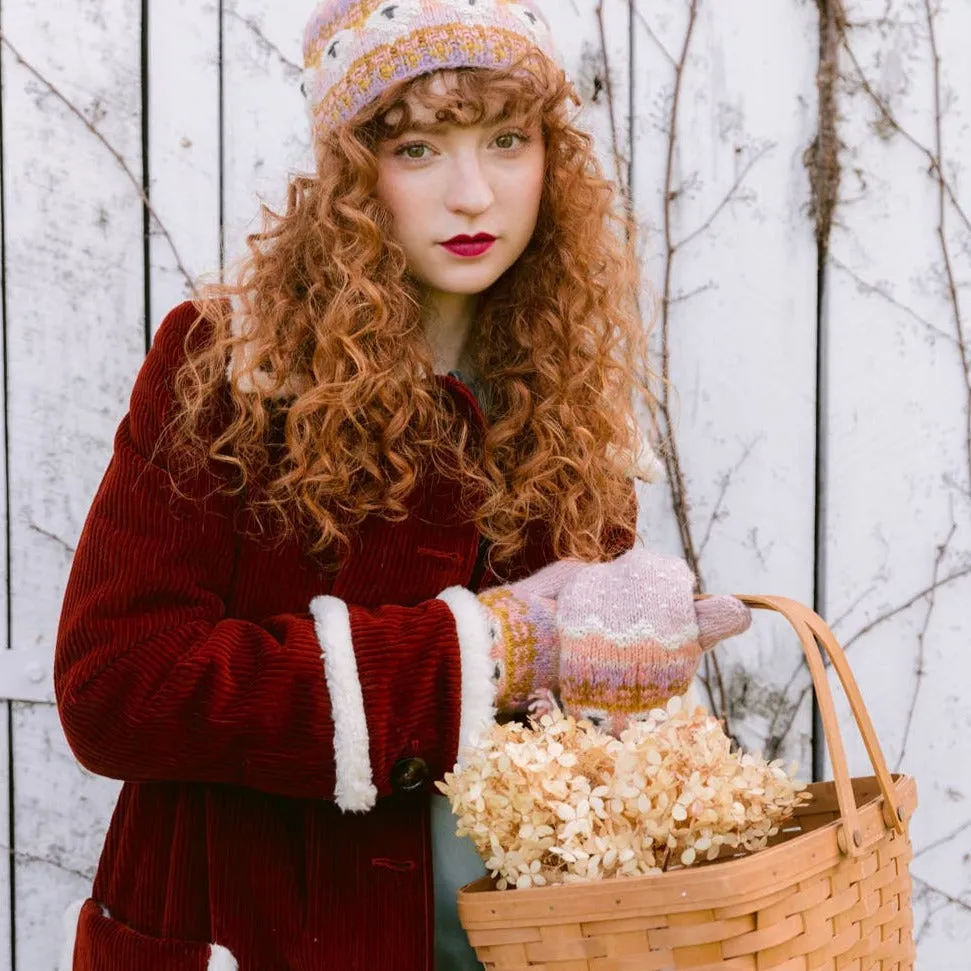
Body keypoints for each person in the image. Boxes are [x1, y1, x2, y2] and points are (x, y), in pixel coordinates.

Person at [54, 1, 749, 968]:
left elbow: (561, 745)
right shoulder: (229, 369)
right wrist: (495, 646)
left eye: (507, 140)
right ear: (349, 173)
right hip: (253, 933)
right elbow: (115, 688)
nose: (474, 195)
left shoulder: (566, 401)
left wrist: (614, 683)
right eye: (419, 148)